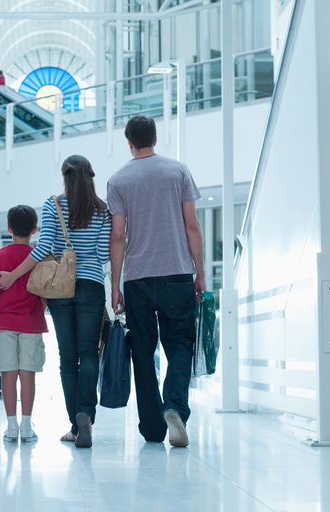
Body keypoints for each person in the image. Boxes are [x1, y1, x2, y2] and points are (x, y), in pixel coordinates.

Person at [0, 155, 110, 449]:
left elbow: (44, 246)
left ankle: (74, 425)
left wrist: (13, 276)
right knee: (90, 354)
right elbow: (103, 254)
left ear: (64, 176)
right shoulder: (103, 210)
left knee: (69, 358)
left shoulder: (53, 205)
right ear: (90, 176)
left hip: (60, 287)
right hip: (92, 284)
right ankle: (85, 414)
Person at [107, 115, 205, 448]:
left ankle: (152, 426)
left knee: (143, 351)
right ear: (156, 139)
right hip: (177, 273)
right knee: (179, 344)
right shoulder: (178, 171)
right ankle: (175, 406)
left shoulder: (118, 180)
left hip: (137, 280)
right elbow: (192, 225)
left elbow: (118, 235)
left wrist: (115, 285)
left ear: (129, 142)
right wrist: (201, 272)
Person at [0, 205, 48, 443]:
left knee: (8, 375)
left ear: (9, 228)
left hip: (4, 322)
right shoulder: (37, 257)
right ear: (34, 229)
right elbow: (43, 294)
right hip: (31, 322)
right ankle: (26, 426)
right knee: (28, 375)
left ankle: (11, 427)